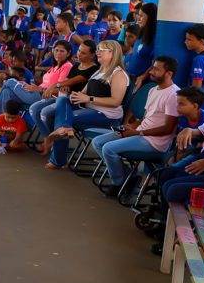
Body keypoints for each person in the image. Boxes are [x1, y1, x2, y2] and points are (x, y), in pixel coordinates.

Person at [90, 56, 179, 197]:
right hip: (140, 133)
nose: (151, 72)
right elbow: (145, 118)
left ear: (169, 74)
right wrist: (130, 127)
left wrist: (137, 133)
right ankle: (129, 176)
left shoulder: (173, 95)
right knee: (98, 142)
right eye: (153, 68)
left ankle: (118, 183)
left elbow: (168, 129)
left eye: (156, 69)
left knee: (108, 148)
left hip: (154, 142)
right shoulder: (153, 90)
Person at [44, 40, 129, 169]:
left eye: (102, 50)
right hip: (90, 109)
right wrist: (73, 96)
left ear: (113, 53)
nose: (98, 52)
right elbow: (82, 93)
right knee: (62, 101)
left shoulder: (118, 74)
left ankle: (58, 157)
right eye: (98, 50)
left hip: (107, 116)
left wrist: (88, 98)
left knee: (63, 119)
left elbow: (116, 101)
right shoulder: (99, 71)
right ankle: (63, 130)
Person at [184, 24, 204, 112]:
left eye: (189, 39)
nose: (185, 42)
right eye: (186, 39)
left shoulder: (199, 60)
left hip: (202, 106)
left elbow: (196, 87)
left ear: (201, 41)